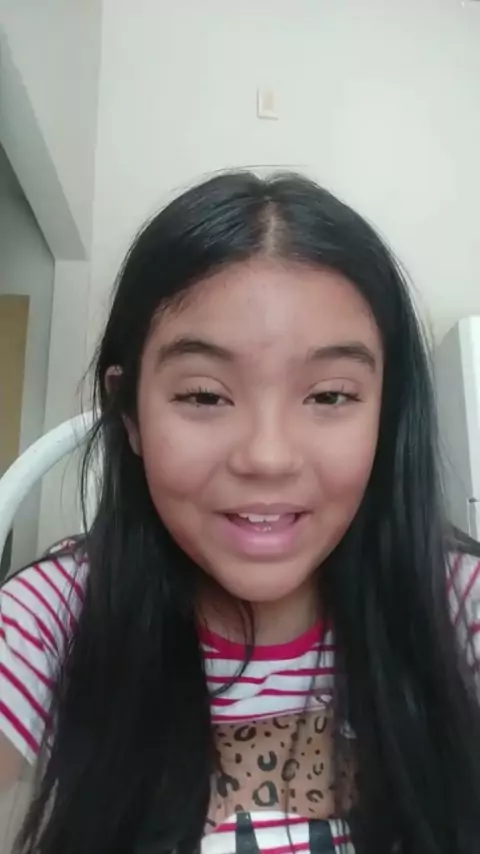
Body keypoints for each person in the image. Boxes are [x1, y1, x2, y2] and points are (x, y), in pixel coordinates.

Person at [1, 171, 480, 854]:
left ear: (387, 412)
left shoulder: (458, 608)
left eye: (330, 396)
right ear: (129, 414)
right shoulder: (54, 617)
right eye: (204, 395)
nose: (267, 457)